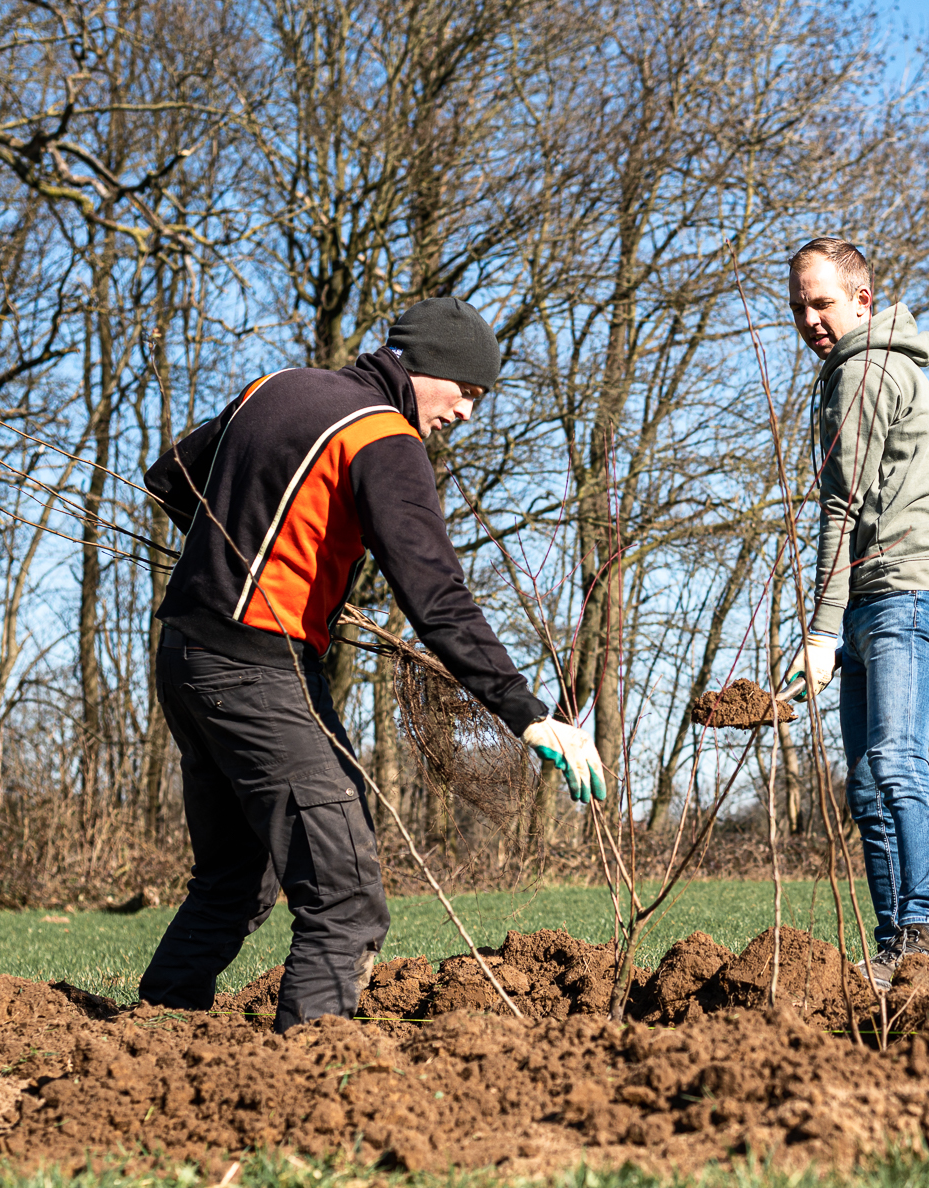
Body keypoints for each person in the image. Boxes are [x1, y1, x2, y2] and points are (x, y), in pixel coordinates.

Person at [138, 297, 605, 1033]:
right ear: (432, 371)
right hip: (259, 668)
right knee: (345, 893)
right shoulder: (383, 437)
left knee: (235, 880)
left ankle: (152, 1040)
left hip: (184, 657)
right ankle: (312, 1078)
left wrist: (261, 555)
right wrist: (528, 713)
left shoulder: (278, 385)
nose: (466, 415)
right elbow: (438, 597)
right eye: (468, 394)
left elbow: (171, 478)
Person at [782, 238, 929, 989]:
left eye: (822, 302)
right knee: (865, 782)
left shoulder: (865, 367)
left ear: (861, 301)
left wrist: (819, 632)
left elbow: (840, 504)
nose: (809, 318)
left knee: (894, 761)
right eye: (798, 306)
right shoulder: (855, 372)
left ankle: (923, 932)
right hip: (871, 597)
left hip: (906, 594)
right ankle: (895, 953)